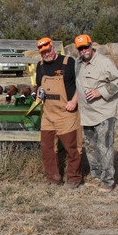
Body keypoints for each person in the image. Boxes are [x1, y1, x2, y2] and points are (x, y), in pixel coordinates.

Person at [74, 34, 118, 192]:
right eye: (80, 49)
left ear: (91, 45)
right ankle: (96, 175)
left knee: (105, 147)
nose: (84, 51)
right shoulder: (77, 64)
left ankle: (108, 180)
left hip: (104, 113)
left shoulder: (104, 62)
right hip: (87, 114)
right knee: (90, 146)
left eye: (86, 47)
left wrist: (100, 92)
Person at [35, 37, 83, 189]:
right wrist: (38, 93)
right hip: (48, 113)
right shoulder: (40, 65)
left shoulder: (69, 62)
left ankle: (74, 178)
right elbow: (38, 85)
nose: (46, 54)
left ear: (53, 48)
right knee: (48, 147)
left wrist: (74, 101)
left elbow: (81, 85)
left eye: (48, 51)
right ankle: (53, 178)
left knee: (72, 147)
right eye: (43, 53)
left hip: (66, 113)